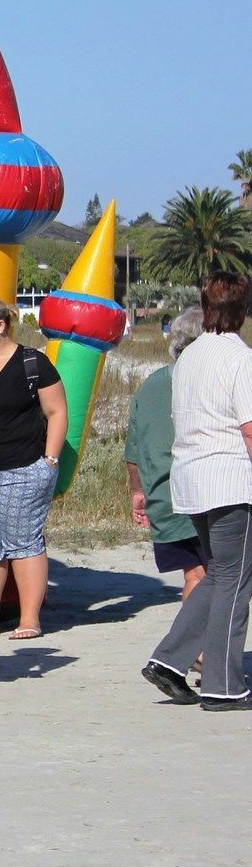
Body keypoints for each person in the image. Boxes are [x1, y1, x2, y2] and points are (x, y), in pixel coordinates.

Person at [143, 272, 252, 710]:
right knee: (236, 578)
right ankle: (224, 684)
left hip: (191, 478)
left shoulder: (189, 356)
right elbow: (248, 428)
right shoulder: (239, 358)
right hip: (228, 478)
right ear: (242, 310)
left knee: (222, 572)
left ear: (205, 308)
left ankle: (169, 660)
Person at [0, 297, 68, 641]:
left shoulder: (33, 363)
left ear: (1, 325)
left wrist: (49, 461)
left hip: (24, 470)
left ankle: (29, 618)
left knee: (24, 543)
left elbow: (57, 412)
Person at [128, 308, 208, 599]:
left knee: (195, 575)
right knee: (214, 577)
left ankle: (195, 643)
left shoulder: (151, 384)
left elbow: (134, 451)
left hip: (163, 497)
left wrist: (138, 492)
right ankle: (204, 645)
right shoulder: (209, 380)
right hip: (205, 494)